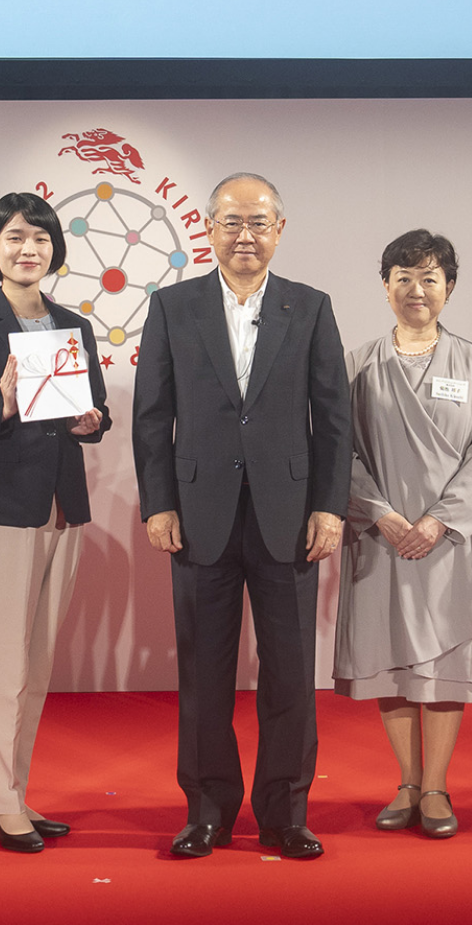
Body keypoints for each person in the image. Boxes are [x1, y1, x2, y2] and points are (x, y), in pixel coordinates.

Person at [132, 172, 353, 861]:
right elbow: (151, 416)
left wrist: (329, 507)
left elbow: (335, 420)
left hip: (290, 517)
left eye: (259, 222)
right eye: (232, 221)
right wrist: (158, 502)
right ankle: (207, 812)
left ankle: (285, 813)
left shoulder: (310, 307)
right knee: (204, 675)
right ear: (209, 229)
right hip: (199, 515)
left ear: (279, 230)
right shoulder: (173, 306)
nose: (245, 235)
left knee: (290, 674)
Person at [0, 192, 111, 854]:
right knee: (3, 664)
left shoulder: (73, 325)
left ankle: (11, 793)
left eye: (39, 238)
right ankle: (1, 803)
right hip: (4, 512)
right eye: (14, 238)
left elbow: (93, 410)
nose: (27, 249)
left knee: (35, 668)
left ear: (54, 249)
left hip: (63, 508)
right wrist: (2, 405)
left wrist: (93, 421)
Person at [333, 229, 472, 840]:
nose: (416, 289)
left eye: (429, 278)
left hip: (449, 539)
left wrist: (439, 520)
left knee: (445, 659)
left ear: (449, 287)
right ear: (385, 286)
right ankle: (406, 781)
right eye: (402, 277)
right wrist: (379, 513)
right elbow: (341, 450)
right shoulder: (358, 364)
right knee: (391, 659)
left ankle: (436, 786)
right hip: (380, 536)